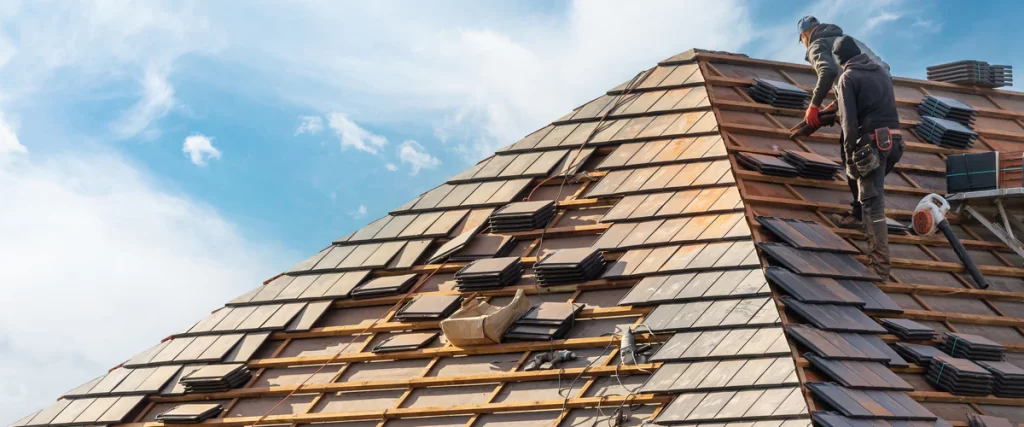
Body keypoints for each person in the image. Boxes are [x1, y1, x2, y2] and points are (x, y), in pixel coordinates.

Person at [797, 16, 889, 228]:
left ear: (805, 35)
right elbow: (880, 70)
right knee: (871, 158)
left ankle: (859, 215)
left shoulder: (817, 44)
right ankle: (868, 213)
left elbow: (827, 72)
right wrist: (837, 104)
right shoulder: (850, 41)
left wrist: (814, 105)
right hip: (883, 102)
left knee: (850, 154)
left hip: (863, 110)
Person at [833, 35, 904, 279]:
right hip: (894, 142)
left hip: (872, 144)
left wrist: (849, 156)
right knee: (870, 195)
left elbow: (849, 124)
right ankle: (860, 219)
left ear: (840, 60)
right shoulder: (881, 73)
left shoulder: (847, 78)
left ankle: (879, 267)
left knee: (873, 204)